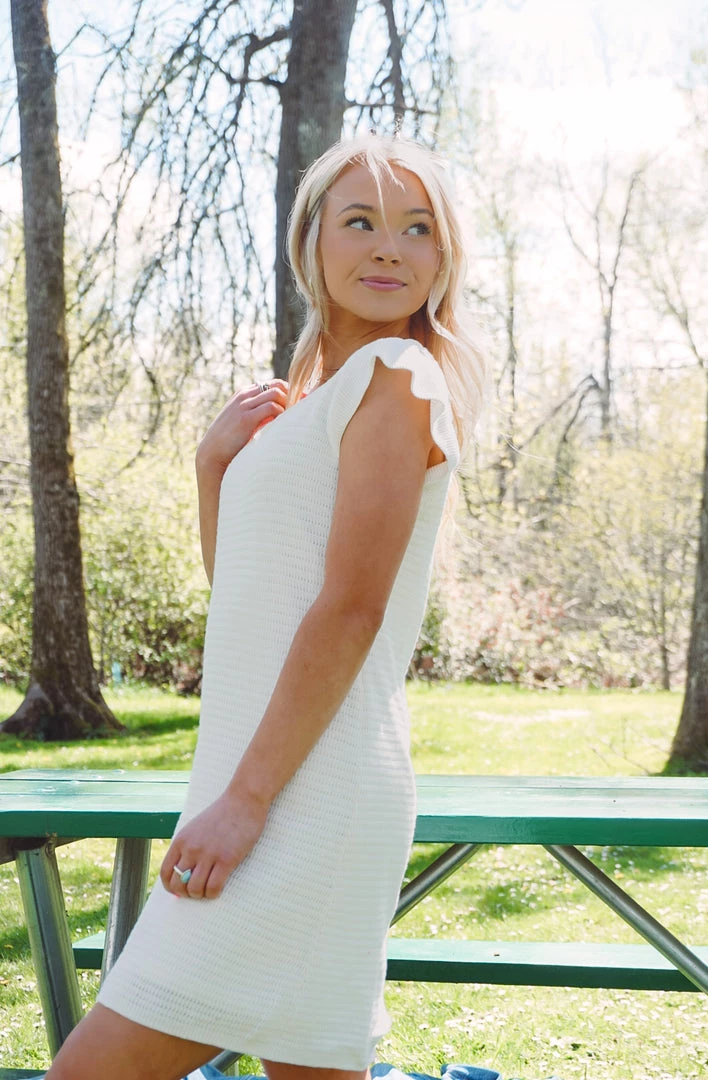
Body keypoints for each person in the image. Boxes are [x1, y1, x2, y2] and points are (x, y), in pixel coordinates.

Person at [46, 132, 487, 1080]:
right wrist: (214, 469)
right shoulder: (319, 400)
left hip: (304, 797)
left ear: (442, 258)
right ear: (310, 242)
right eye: (360, 222)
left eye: (418, 229)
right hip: (265, 782)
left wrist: (244, 803)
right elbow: (252, 601)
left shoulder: (398, 378)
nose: (390, 248)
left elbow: (350, 612)